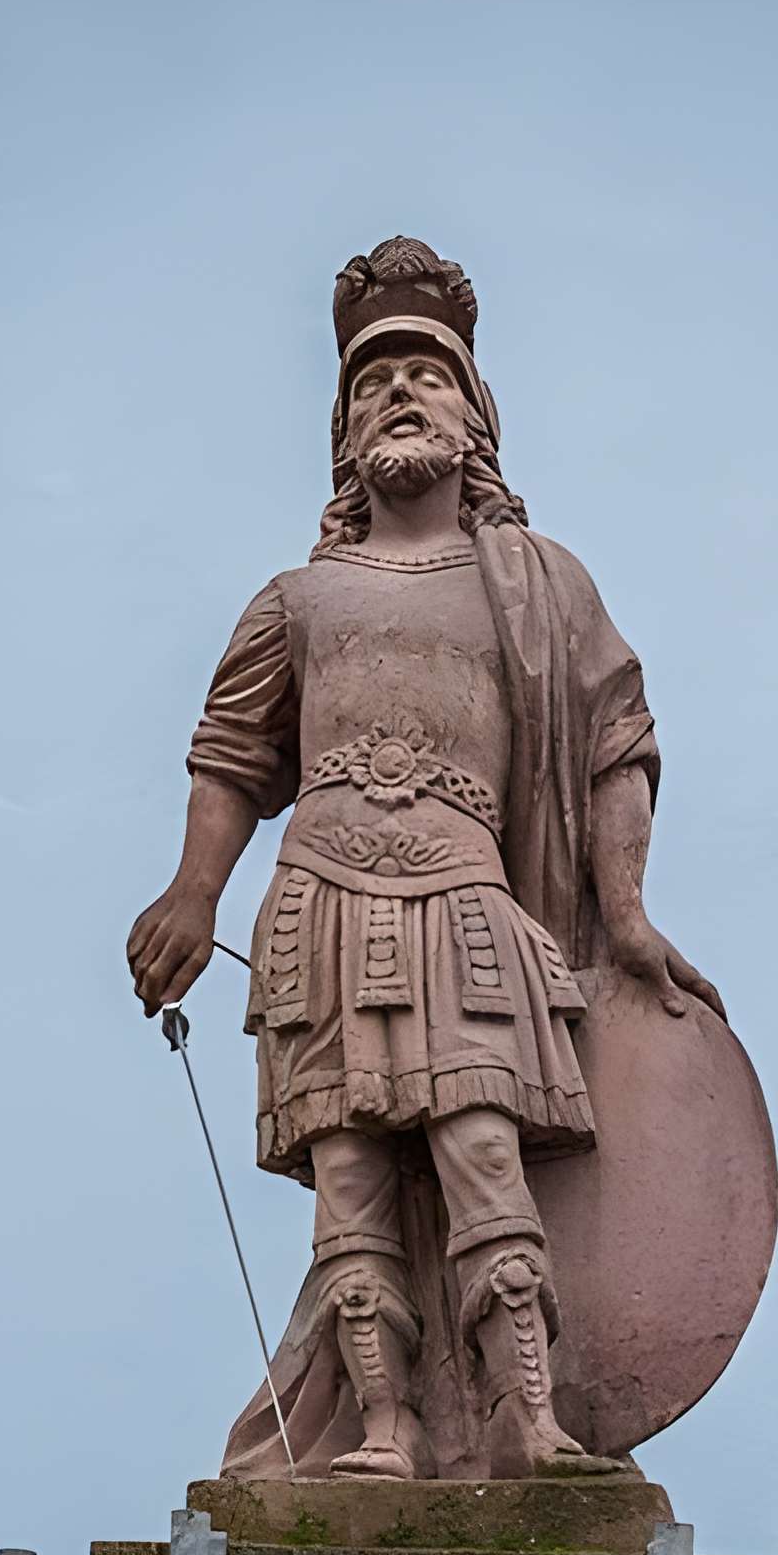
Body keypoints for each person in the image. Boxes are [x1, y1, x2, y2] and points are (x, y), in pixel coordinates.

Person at [128, 237, 721, 1479]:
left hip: (466, 907)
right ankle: (382, 1428)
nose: (398, 390)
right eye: (370, 380)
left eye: (428, 374)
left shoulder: (542, 588)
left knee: (482, 1150)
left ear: (475, 418)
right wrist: (193, 892)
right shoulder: (296, 598)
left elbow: (619, 744)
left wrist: (625, 915)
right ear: (345, 435)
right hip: (321, 906)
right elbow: (234, 755)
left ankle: (524, 1414)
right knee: (348, 1173)